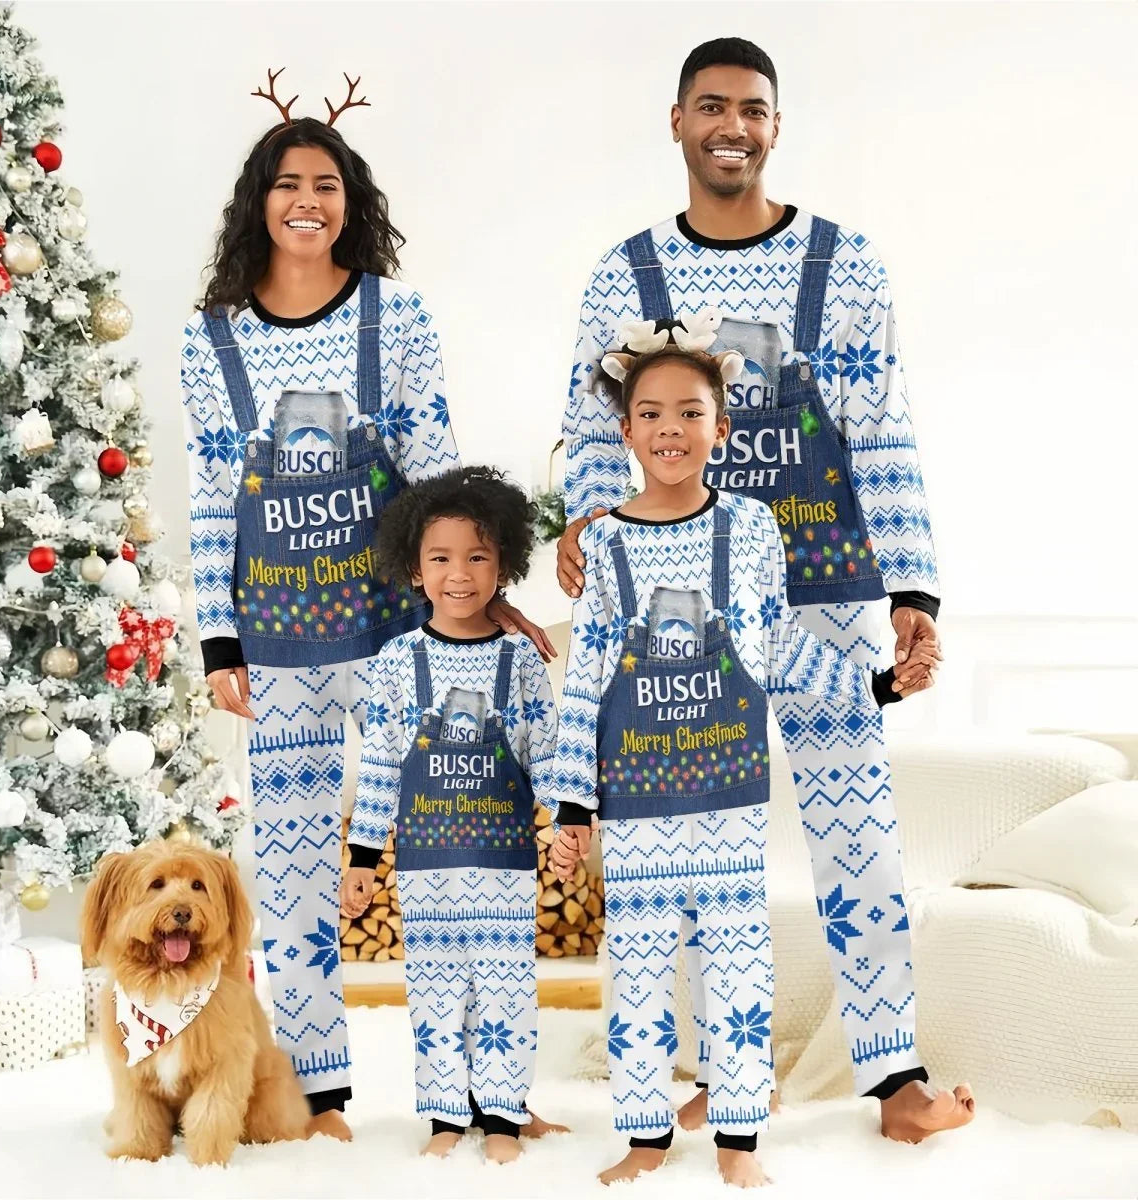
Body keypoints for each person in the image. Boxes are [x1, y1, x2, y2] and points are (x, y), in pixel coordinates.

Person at [556, 37, 974, 1144]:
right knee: (689, 841)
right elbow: (598, 435)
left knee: (860, 839)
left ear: (774, 126)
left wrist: (912, 586)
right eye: (710, 107)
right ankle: (721, 1072)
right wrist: (587, 534)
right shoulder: (625, 277)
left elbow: (880, 433)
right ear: (679, 122)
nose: (730, 125)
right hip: (675, 612)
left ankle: (895, 1079)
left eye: (750, 108)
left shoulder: (847, 266)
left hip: (826, 594)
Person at [180, 90, 552, 1137]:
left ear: (351, 205)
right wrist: (220, 639)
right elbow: (215, 503)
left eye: (326, 185)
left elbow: (436, 477)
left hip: (403, 639)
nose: (307, 201)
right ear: (260, 203)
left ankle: (483, 1092)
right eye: (288, 183)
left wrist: (491, 595)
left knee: (454, 852)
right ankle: (322, 1091)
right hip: (283, 646)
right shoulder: (213, 342)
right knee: (294, 870)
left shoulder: (398, 319)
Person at [549, 344, 883, 1186]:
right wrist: (570, 805)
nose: (671, 430)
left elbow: (772, 647)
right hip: (635, 798)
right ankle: (645, 1136)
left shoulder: (749, 526)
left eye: (690, 413)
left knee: (739, 966)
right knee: (638, 974)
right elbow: (586, 676)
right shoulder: (607, 544)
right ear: (626, 431)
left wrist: (873, 684)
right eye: (652, 415)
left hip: (730, 792)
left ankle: (739, 1141)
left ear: (720, 428)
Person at [341, 467, 564, 1163]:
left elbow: (547, 754)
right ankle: (444, 1114)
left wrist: (565, 822)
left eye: (477, 557)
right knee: (433, 992)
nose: (459, 574)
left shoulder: (520, 659)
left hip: (501, 864)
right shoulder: (395, 663)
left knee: (506, 989)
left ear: (504, 565)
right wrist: (363, 860)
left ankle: (501, 1115)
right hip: (426, 866)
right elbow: (379, 767)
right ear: (414, 568)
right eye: (440, 558)